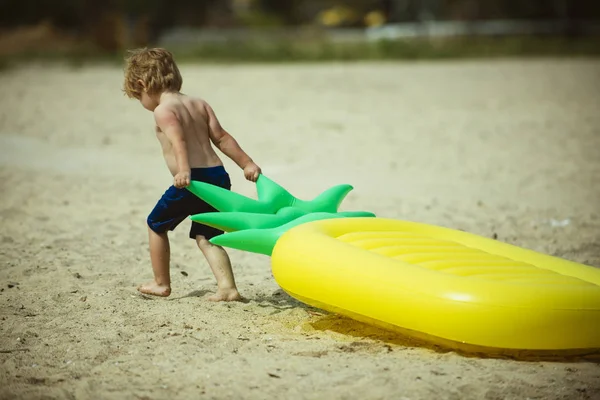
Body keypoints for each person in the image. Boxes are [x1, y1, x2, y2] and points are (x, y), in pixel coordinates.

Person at [122, 47, 261, 301]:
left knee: (156, 224)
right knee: (207, 235)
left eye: (138, 95)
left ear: (142, 84)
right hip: (217, 176)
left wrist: (184, 171)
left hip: (192, 181)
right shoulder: (199, 103)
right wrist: (246, 163)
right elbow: (222, 138)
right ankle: (227, 288)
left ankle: (160, 282)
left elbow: (178, 142)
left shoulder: (163, 110)